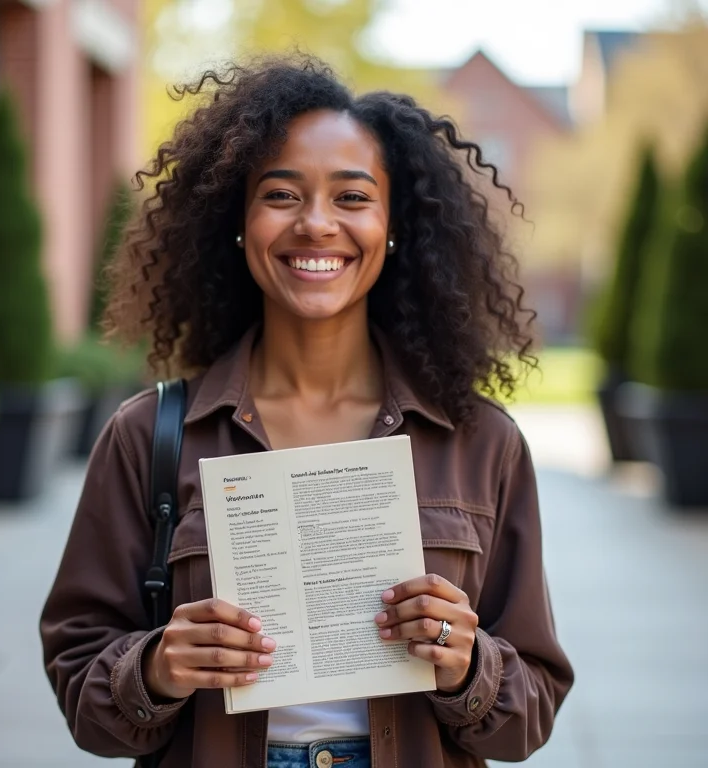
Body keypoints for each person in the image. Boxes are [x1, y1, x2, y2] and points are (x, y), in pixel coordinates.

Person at [40, 55, 573, 768]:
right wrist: (156, 670)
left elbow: (528, 716)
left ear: (393, 226)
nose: (316, 224)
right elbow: (82, 688)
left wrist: (469, 665)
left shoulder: (482, 442)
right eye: (281, 195)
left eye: (352, 198)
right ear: (237, 220)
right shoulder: (150, 436)